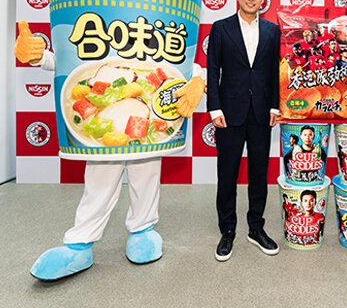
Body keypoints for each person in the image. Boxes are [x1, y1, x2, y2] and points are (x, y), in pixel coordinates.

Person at [14, 21, 205, 281]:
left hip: (149, 123)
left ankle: (142, 230)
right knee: (99, 182)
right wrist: (39, 57)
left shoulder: (157, 30)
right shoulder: (100, 28)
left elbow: (185, 66)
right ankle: (79, 244)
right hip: (100, 129)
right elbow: (70, 60)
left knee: (146, 176)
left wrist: (197, 80)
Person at [206, 0, 280, 262]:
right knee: (227, 173)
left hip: (262, 112)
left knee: (259, 173)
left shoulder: (273, 31)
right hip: (229, 112)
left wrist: (275, 105)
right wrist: (214, 107)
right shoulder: (221, 28)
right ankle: (227, 230)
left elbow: (276, 71)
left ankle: (255, 227)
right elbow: (213, 69)